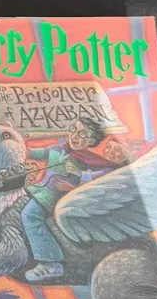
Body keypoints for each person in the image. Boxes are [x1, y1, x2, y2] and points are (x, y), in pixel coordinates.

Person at [21, 118, 118, 282]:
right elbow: (28, 153)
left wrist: (81, 176)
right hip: (39, 191)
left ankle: (51, 263)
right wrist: (14, 143)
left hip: (57, 199)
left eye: (83, 134)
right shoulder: (56, 150)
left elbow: (107, 176)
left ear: (91, 141)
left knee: (29, 214)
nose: (75, 136)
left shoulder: (89, 161)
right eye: (74, 130)